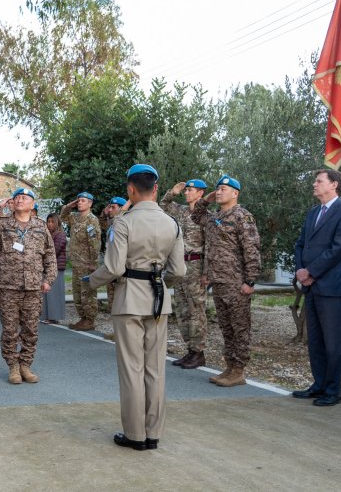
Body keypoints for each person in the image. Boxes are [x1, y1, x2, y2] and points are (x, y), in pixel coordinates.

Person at [88, 164, 185, 451]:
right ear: (155, 189)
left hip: (130, 298)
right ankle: (153, 432)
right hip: (158, 300)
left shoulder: (123, 222)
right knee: (155, 367)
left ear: (130, 189)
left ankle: (135, 434)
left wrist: (91, 281)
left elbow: (114, 267)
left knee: (132, 368)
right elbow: (178, 270)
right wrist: (158, 281)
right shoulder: (172, 223)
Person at [292, 169, 341, 407]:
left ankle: (333, 390)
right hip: (310, 285)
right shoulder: (313, 213)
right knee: (316, 340)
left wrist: (311, 272)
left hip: (331, 286)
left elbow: (338, 249)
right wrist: (301, 270)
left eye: (319, 181)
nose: (314, 184)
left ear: (334, 185)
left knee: (333, 341)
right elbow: (301, 244)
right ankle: (319, 384)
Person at [0, 188, 57, 385]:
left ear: (32, 203)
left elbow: (50, 255)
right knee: (10, 329)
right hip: (8, 286)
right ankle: (13, 365)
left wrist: (48, 279)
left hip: (32, 287)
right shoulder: (3, 224)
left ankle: (25, 365)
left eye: (25, 198)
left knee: (31, 329)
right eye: (17, 198)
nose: (20, 200)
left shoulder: (40, 226)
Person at [191, 176, 261, 385]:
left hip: (236, 283)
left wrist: (250, 281)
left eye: (223, 189)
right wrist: (206, 200)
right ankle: (229, 366)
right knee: (226, 328)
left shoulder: (242, 216)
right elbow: (196, 217)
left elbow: (251, 249)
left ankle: (238, 370)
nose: (219, 192)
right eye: (217, 189)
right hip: (219, 281)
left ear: (235, 193)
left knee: (240, 328)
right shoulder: (214, 218)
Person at [160, 179, 209, 370]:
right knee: (182, 309)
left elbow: (210, 245)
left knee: (196, 309)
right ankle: (190, 350)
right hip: (179, 263)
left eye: (190, 190)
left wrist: (207, 272)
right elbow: (163, 206)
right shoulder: (180, 210)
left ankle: (199, 352)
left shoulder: (206, 216)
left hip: (196, 263)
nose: (186, 193)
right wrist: (172, 192)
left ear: (201, 193)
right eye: (186, 190)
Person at [62, 192, 101, 330]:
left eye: (83, 200)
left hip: (86, 264)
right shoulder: (74, 218)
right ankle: (83, 318)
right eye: (78, 201)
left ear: (90, 203)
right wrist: (69, 205)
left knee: (87, 294)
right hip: (76, 263)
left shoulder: (92, 220)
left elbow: (95, 243)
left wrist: (93, 263)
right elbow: (62, 216)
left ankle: (89, 320)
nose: (79, 203)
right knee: (77, 293)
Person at [99, 197, 127, 314]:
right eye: (109, 207)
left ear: (121, 209)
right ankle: (114, 328)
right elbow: (100, 223)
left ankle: (121, 330)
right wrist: (104, 213)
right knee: (111, 296)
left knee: (121, 298)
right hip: (110, 264)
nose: (110, 210)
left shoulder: (125, 222)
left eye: (113, 207)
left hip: (121, 265)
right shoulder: (111, 223)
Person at [41, 212, 67, 324]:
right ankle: (47, 316)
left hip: (56, 267)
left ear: (57, 222)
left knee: (54, 293)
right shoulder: (47, 234)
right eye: (48, 221)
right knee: (47, 293)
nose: (50, 224)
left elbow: (55, 250)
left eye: (52, 222)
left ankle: (54, 316)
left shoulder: (60, 235)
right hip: (47, 266)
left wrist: (41, 256)